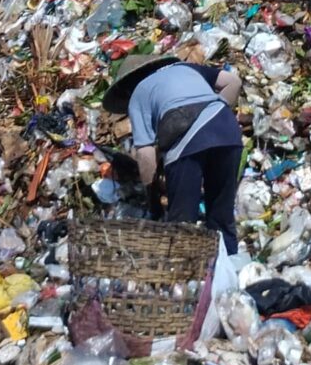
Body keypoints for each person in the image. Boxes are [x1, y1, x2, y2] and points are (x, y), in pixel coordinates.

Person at [102, 53, 243, 252]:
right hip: (228, 131)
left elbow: (146, 153)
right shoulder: (189, 69)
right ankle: (228, 269)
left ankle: (181, 276)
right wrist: (214, 112)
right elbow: (233, 82)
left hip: (187, 139)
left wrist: (150, 192)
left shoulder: (138, 93)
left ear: (127, 88)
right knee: (222, 216)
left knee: (182, 222)